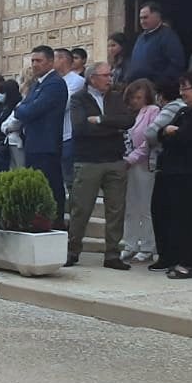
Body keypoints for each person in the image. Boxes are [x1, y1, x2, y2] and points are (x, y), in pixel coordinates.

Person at [65, 62, 135, 269]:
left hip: (114, 159)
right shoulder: (79, 99)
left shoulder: (115, 97)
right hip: (88, 161)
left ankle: (113, 254)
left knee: (116, 209)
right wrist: (112, 127)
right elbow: (81, 128)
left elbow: (128, 121)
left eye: (110, 75)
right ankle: (72, 249)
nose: (110, 79)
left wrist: (101, 120)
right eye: (105, 75)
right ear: (92, 78)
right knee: (81, 208)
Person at [152, 70, 192, 279]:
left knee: (185, 217)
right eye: (181, 88)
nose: (182, 93)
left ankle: (188, 262)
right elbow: (161, 134)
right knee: (168, 214)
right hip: (174, 169)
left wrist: (172, 133)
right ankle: (171, 256)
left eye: (186, 88)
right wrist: (168, 133)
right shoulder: (184, 111)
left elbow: (186, 136)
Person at [12, 45, 69, 221]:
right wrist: (22, 109)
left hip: (47, 144)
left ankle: (55, 221)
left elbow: (29, 110)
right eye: (33, 61)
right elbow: (23, 106)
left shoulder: (55, 83)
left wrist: (22, 109)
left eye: (39, 61)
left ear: (50, 62)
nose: (35, 64)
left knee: (51, 185)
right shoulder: (38, 84)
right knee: (37, 185)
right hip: (34, 142)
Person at [122, 79, 160, 263]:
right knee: (130, 206)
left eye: (139, 97)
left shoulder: (152, 111)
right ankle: (130, 244)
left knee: (145, 206)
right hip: (127, 163)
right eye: (133, 97)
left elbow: (149, 140)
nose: (135, 101)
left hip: (144, 164)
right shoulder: (128, 114)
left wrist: (132, 158)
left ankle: (147, 245)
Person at [125, 2, 185, 85]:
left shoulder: (168, 37)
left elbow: (176, 64)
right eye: (141, 18)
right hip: (137, 87)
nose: (142, 21)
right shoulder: (140, 38)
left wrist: (159, 83)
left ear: (157, 16)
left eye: (145, 18)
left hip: (155, 89)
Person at [55, 48, 85, 205]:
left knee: (71, 178)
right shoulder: (56, 80)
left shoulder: (76, 81)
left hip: (69, 133)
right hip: (57, 135)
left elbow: (63, 104)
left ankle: (76, 211)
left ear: (63, 60)